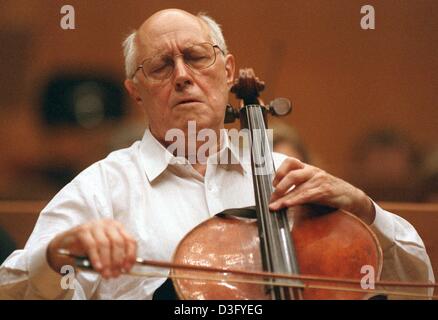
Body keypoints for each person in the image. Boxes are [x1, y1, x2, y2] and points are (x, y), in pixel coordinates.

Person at [0, 9, 434, 299]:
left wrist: (366, 211)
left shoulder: (290, 179)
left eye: (195, 57)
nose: (184, 77)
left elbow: (418, 286)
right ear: (136, 91)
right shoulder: (100, 190)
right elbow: (12, 288)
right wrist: (58, 254)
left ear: (227, 71)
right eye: (161, 66)